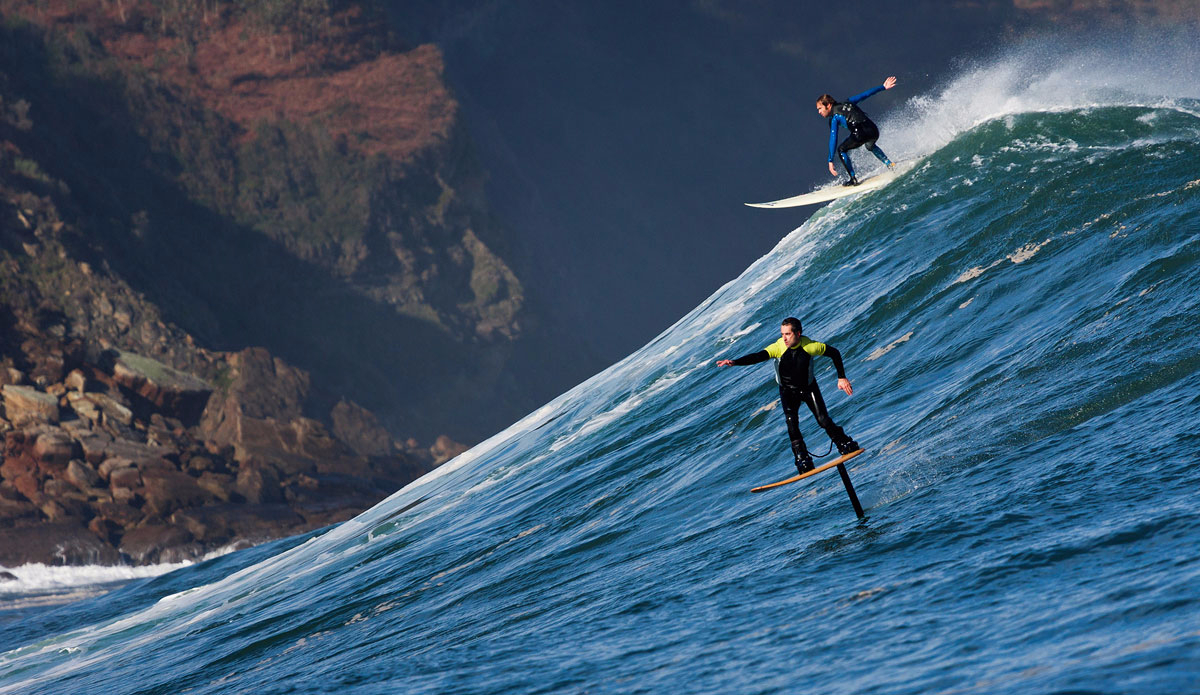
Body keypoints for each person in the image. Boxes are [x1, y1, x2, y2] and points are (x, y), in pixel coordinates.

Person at [716, 318, 860, 475]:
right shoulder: (778, 347)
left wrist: (841, 377)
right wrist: (734, 362)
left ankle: (844, 443)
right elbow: (758, 356)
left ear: (798, 334)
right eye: (782, 334)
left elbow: (834, 353)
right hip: (787, 392)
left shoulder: (810, 346)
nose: (784, 338)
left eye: (787, 334)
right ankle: (802, 460)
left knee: (823, 420)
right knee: (792, 424)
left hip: (809, 388)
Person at [816, 76, 898, 186]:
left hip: (860, 134)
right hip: (873, 130)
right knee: (870, 146)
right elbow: (865, 94)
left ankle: (853, 178)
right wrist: (883, 87)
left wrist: (830, 160)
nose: (819, 112)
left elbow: (833, 138)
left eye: (820, 108)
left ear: (828, 105)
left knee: (841, 150)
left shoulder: (834, 118)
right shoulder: (848, 102)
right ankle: (890, 164)